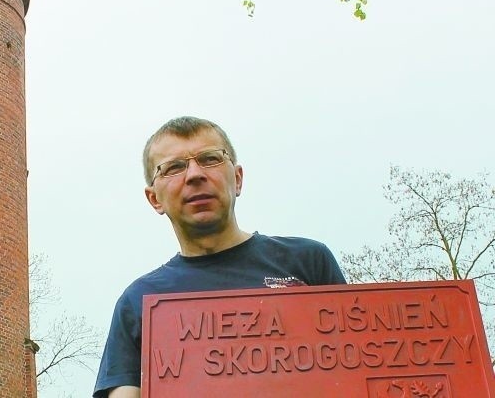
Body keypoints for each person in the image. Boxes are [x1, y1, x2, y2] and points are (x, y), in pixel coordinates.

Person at [93, 116, 346, 398]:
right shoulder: (138, 301)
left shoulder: (309, 262)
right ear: (154, 199)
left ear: (237, 179)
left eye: (210, 159)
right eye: (174, 167)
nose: (194, 175)